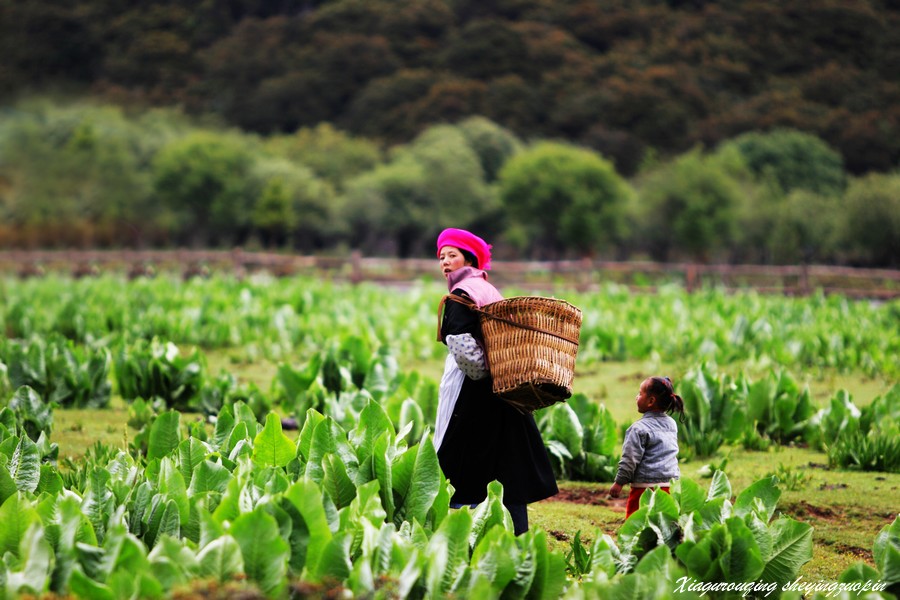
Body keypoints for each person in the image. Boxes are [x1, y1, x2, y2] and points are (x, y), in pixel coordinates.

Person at [434, 227, 558, 535]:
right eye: (441, 256)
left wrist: (482, 372)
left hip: (474, 394)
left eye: (453, 255)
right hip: (504, 388)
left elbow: (467, 354)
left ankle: (468, 534)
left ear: (469, 258)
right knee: (506, 463)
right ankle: (516, 533)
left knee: (465, 464)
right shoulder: (487, 289)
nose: (446, 262)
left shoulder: (461, 296)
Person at [608, 376, 685, 518]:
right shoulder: (671, 424)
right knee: (665, 526)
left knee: (637, 527)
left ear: (651, 401)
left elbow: (630, 460)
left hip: (644, 489)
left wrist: (619, 483)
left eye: (640, 393)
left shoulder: (638, 429)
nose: (636, 397)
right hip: (670, 486)